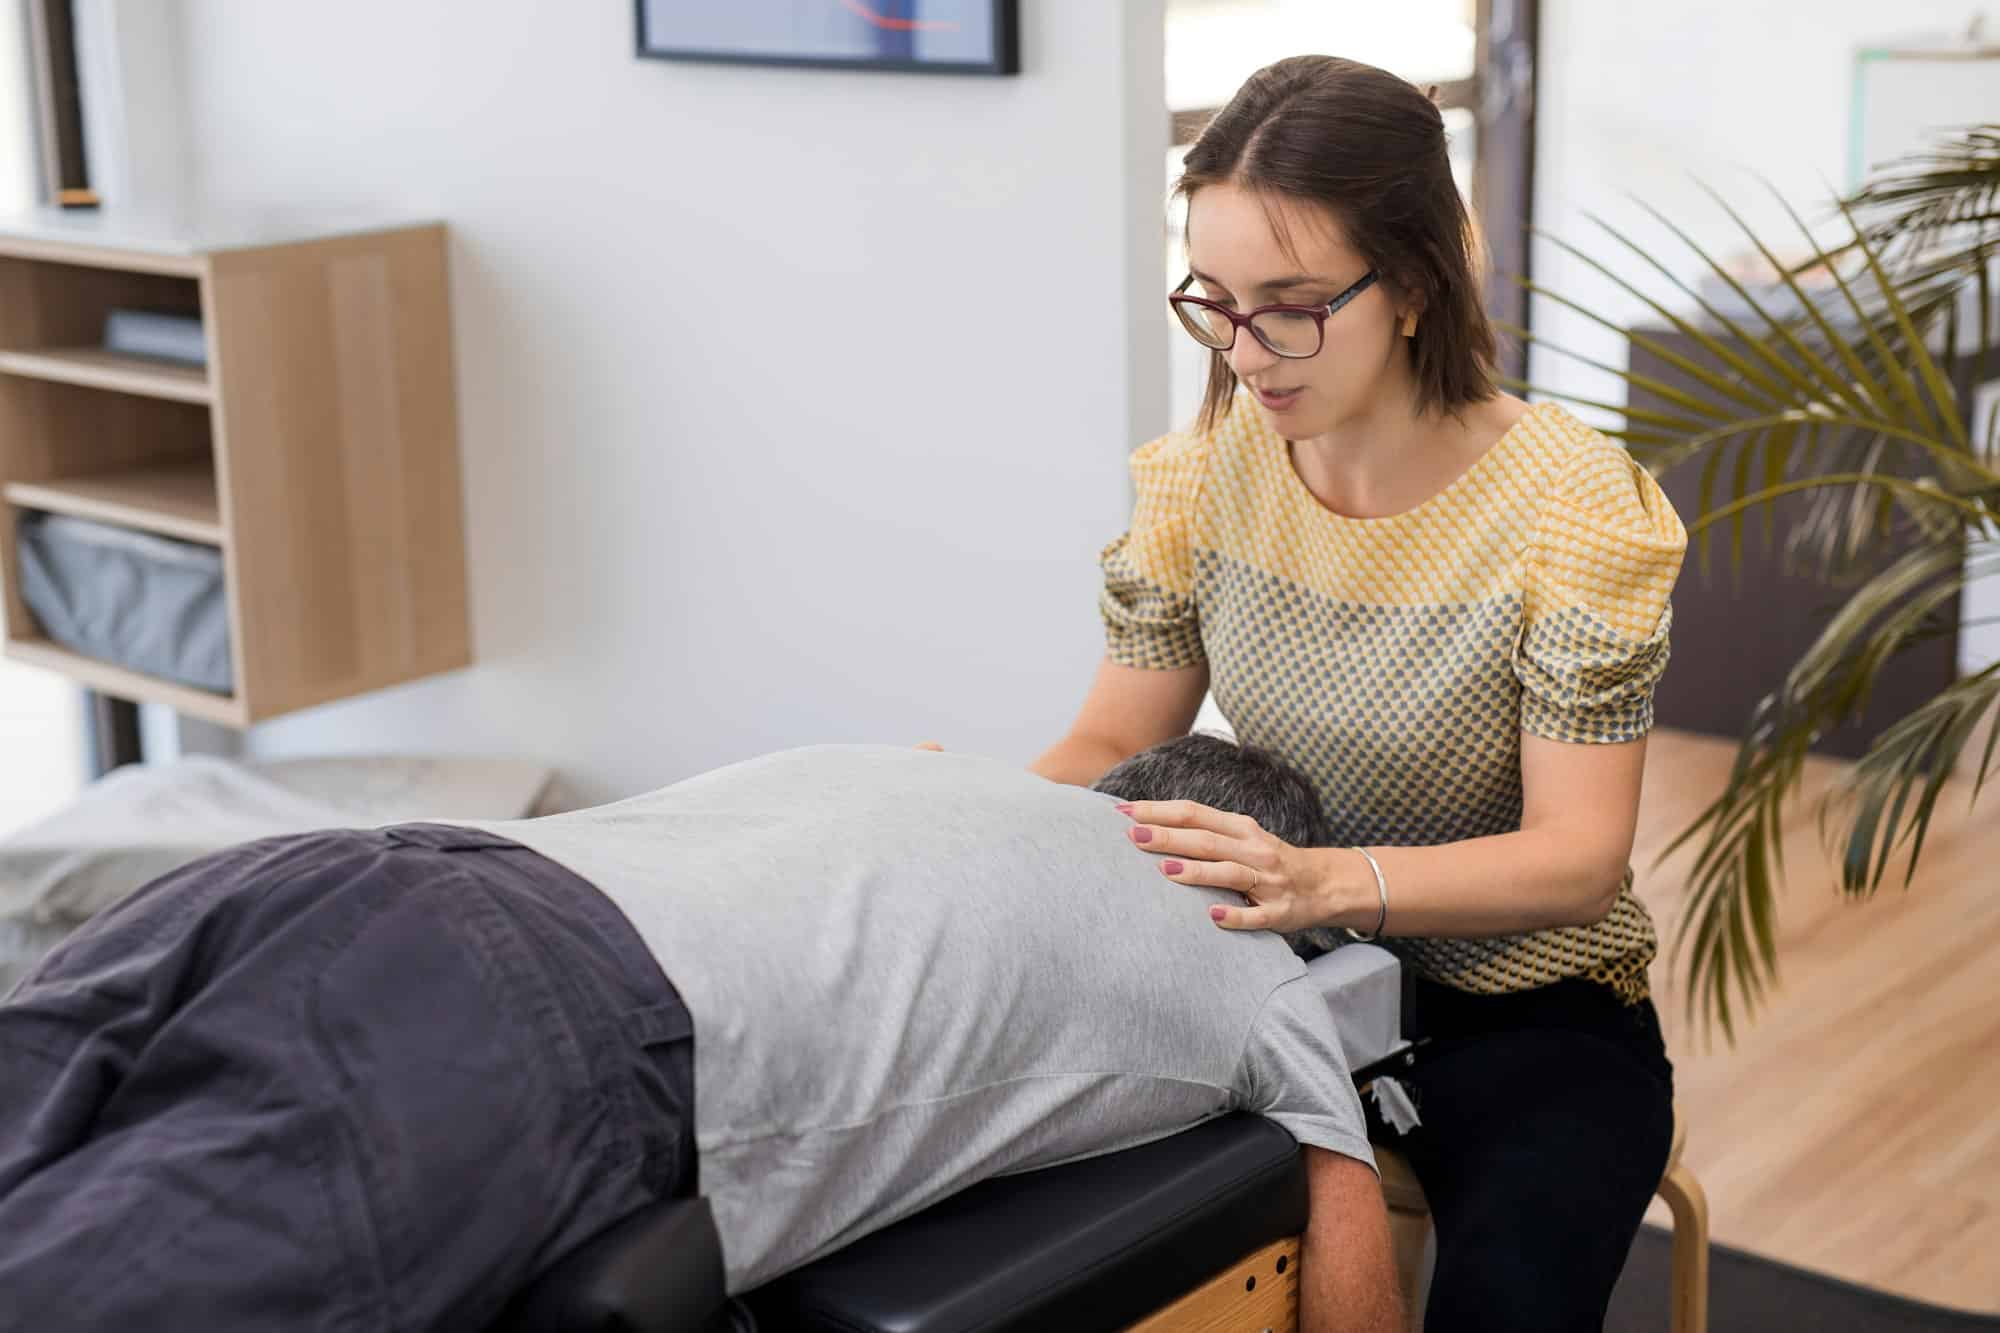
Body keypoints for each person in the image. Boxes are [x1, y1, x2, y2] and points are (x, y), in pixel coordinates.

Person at [998, 54, 1689, 1332]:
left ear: (1416, 284)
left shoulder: (1572, 510)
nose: (1245, 352)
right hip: (1281, 981)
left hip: (1529, 1010)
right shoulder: (1204, 476)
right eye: (1213, 301)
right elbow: (1111, 735)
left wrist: (1329, 880)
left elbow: (1577, 857)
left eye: (1292, 305)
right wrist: (961, 817)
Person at [0, 738, 1401, 1332]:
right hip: (537, 1020)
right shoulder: (1252, 957)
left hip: (333, 876)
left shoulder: (923, 770)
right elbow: (1345, 1256)